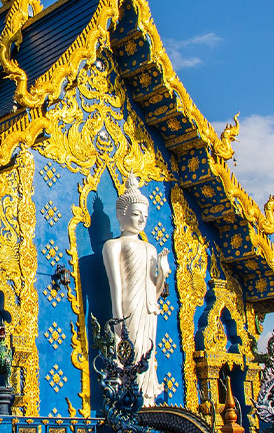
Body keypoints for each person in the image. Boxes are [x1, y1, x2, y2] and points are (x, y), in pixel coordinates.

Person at [102, 173, 171, 407]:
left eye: (144, 216)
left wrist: (162, 272)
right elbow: (115, 285)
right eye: (135, 214)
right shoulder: (113, 246)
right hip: (129, 306)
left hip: (148, 309)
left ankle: (147, 398)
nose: (141, 220)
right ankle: (129, 396)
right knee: (131, 351)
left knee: (147, 352)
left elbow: (156, 291)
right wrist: (117, 318)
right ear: (122, 215)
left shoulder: (150, 248)